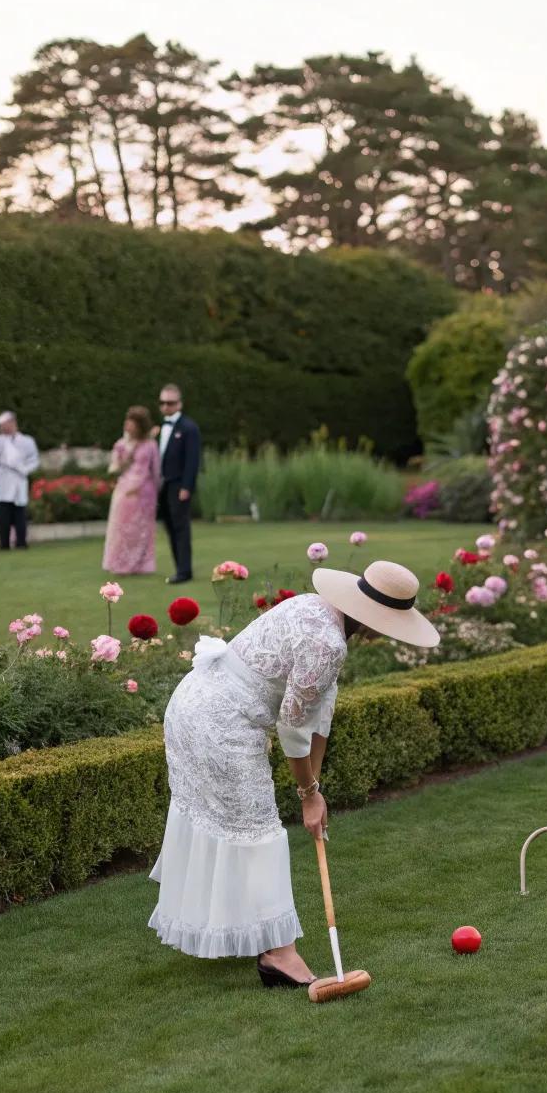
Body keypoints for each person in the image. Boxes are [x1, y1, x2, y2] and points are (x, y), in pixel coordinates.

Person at [148, 560, 440, 986]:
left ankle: (249, 932)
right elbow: (293, 725)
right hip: (218, 722)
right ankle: (279, 955)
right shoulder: (328, 643)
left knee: (241, 826)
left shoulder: (316, 607)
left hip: (192, 703)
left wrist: (314, 789)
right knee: (259, 830)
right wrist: (307, 794)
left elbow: (319, 713)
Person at [102, 406, 160, 574]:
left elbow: (156, 470)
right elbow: (113, 469)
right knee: (122, 528)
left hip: (145, 491)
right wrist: (122, 456)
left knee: (142, 530)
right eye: (127, 423)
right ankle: (121, 563)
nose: (128, 427)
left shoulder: (150, 445)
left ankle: (140, 564)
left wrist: (157, 492)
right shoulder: (121, 445)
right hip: (125, 489)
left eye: (132, 424)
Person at [156, 383, 201, 584]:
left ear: (179, 404)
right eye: (162, 402)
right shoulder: (161, 428)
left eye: (170, 402)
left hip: (178, 485)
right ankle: (179, 568)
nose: (166, 406)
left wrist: (186, 486)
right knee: (170, 526)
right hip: (163, 485)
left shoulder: (189, 428)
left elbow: (192, 460)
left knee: (181, 528)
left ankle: (184, 571)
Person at [0, 411, 40, 550]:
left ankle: (21, 542)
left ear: (12, 423)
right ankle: (4, 543)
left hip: (19, 480)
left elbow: (34, 460)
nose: (1, 428)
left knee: (20, 514)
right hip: (4, 480)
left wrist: (25, 470)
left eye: (4, 425)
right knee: (3, 514)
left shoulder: (27, 441)